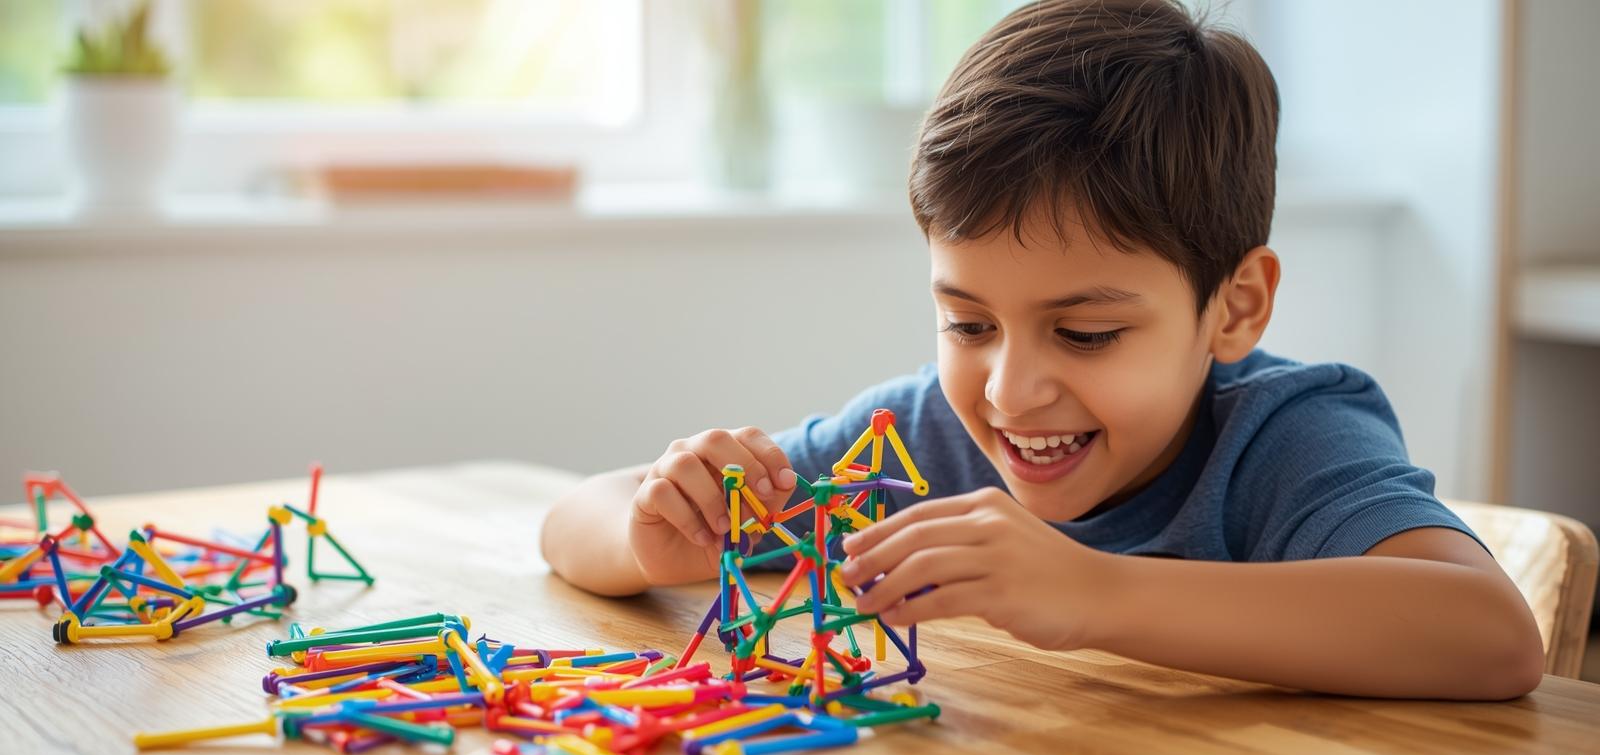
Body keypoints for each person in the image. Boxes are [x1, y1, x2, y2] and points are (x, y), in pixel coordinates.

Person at [540, 0, 1544, 700]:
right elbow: (568, 519)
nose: (1011, 392)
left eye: (1086, 333)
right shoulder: (922, 436)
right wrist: (649, 535)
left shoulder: (1287, 434)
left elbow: (1491, 636)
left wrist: (1093, 590)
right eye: (968, 324)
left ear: (1234, 307)